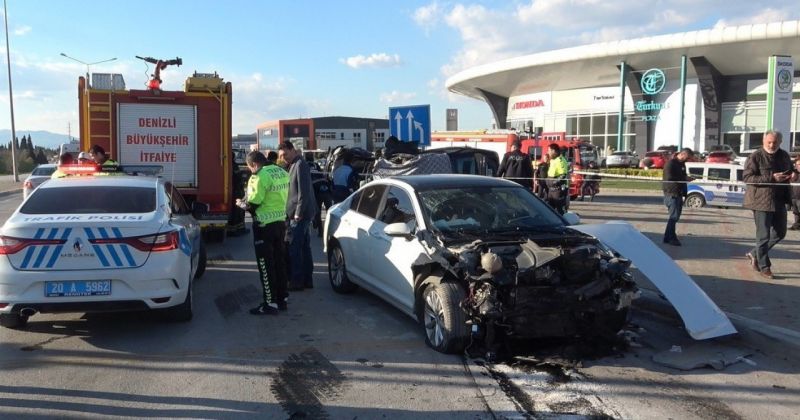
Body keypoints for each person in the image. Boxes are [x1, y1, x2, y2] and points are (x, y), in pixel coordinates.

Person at [238, 151, 290, 315]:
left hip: (263, 225)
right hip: (280, 222)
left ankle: (270, 303)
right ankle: (282, 298)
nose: (250, 171)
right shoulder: (281, 171)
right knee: (279, 262)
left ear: (253, 164)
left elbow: (253, 204)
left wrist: (241, 204)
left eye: (249, 167)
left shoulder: (258, 177)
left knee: (265, 266)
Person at [743, 131, 797, 279]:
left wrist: (793, 174)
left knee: (780, 233)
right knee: (763, 236)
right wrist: (771, 177)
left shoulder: (784, 155)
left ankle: (754, 253)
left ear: (781, 141)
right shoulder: (755, 156)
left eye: (775, 142)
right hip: (761, 201)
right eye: (769, 142)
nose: (772, 145)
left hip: (780, 200)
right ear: (764, 140)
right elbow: (747, 178)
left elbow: (791, 170)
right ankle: (764, 266)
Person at [278, 141, 318, 291]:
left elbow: (304, 191)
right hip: (299, 214)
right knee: (304, 247)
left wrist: (298, 214)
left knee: (295, 248)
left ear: (292, 150)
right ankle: (307, 280)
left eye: (285, 154)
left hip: (300, 215)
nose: (283, 158)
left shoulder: (300, 164)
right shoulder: (293, 164)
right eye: (281, 156)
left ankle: (297, 281)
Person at [661, 147, 694, 246]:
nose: (687, 160)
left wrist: (687, 178)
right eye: (687, 158)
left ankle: (667, 237)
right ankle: (671, 237)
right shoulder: (670, 163)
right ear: (683, 154)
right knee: (674, 216)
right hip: (671, 193)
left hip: (679, 193)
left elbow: (682, 175)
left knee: (675, 216)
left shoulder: (681, 164)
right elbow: (669, 177)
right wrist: (684, 178)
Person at [227, 155, 249, 237]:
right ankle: (237, 229)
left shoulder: (227, 165)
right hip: (236, 191)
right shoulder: (234, 165)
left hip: (231, 191)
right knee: (238, 211)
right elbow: (238, 178)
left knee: (235, 211)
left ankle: (232, 229)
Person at [545, 144, 569, 214]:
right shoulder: (553, 160)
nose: (548, 152)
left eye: (549, 150)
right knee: (550, 210)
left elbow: (563, 175)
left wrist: (554, 182)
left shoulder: (560, 160)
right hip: (551, 190)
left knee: (559, 210)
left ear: (553, 151)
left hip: (557, 190)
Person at [790, 157, 800, 231]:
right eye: (797, 164)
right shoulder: (794, 172)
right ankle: (796, 225)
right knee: (795, 212)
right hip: (794, 195)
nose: (798, 166)